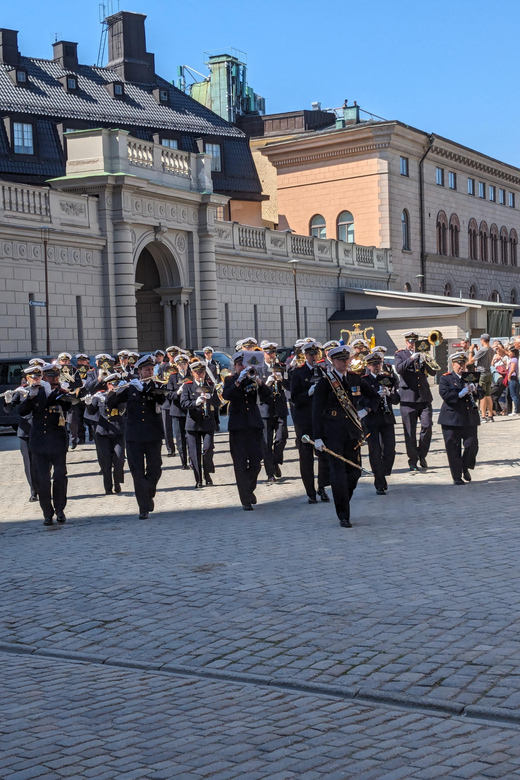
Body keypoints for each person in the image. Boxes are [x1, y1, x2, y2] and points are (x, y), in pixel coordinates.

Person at [312, 345, 376, 527]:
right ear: (333, 361)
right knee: (338, 474)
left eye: (347, 360)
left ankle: (343, 498)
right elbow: (316, 411)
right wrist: (317, 437)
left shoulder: (355, 378)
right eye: (341, 360)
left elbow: (374, 395)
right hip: (332, 432)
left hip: (353, 432)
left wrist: (366, 410)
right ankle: (343, 515)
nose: (345, 363)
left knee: (354, 472)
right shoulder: (325, 383)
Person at [106, 355, 167, 519]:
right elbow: (111, 403)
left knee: (155, 469)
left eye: (151, 369)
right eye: (146, 369)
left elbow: (162, 398)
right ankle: (143, 507)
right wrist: (116, 390)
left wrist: (145, 390)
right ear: (139, 371)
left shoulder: (157, 386)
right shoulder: (130, 387)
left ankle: (149, 493)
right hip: (134, 436)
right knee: (137, 472)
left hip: (153, 435)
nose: (149, 371)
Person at [19, 363, 73, 526]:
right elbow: (23, 411)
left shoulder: (61, 391)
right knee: (42, 481)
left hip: (57, 442)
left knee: (60, 477)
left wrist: (62, 392)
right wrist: (30, 396)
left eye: (56, 377)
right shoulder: (36, 391)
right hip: (39, 443)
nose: (54, 380)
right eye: (51, 377)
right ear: (44, 378)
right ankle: (47, 513)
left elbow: (68, 405)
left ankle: (60, 510)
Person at [222, 350, 271, 510]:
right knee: (240, 463)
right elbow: (227, 395)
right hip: (238, 427)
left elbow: (267, 395)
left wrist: (259, 381)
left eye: (245, 364)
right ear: (235, 366)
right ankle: (245, 499)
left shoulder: (253, 378)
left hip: (254, 425)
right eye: (239, 365)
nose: (243, 367)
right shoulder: (230, 380)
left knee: (257, 461)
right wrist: (239, 380)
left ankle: (248, 489)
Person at [290, 341, 330, 504]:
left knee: (324, 454)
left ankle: (322, 487)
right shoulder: (298, 373)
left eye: (316, 354)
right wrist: (309, 392)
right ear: (305, 355)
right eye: (311, 355)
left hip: (320, 419)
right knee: (306, 457)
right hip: (304, 420)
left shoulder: (323, 371)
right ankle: (310, 492)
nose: (314, 357)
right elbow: (294, 398)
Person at [438, 351, 484, 484]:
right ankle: (456, 476)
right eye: (459, 364)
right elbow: (445, 395)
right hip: (452, 418)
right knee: (453, 448)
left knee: (472, 445)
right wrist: (460, 393)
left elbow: (481, 393)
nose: (461, 366)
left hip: (469, 418)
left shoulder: (470, 377)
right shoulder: (446, 378)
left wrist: (474, 389)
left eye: (463, 363)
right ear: (453, 365)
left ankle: (465, 466)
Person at [394, 330, 437, 471]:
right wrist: (412, 358)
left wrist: (426, 359)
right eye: (410, 342)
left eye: (415, 341)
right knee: (410, 431)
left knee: (427, 426)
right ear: (406, 342)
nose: (413, 344)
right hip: (408, 398)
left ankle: (422, 454)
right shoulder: (400, 354)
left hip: (423, 397)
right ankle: (412, 460)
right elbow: (399, 369)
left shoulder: (424, 354)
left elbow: (434, 372)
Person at [362, 352, 400, 495]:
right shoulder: (364, 381)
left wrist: (389, 394)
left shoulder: (388, 378)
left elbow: (397, 399)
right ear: (368, 366)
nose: (377, 367)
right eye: (373, 365)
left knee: (390, 449)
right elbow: (361, 400)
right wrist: (375, 396)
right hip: (371, 419)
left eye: (378, 364)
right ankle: (379, 482)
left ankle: (382, 473)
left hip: (386, 418)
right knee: (375, 451)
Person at [180, 358, 219, 487]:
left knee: (208, 449)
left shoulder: (210, 385)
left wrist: (211, 398)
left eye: (202, 372)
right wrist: (195, 403)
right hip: (193, 423)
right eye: (197, 372)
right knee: (194, 453)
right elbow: (183, 403)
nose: (200, 374)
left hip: (208, 423)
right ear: (192, 372)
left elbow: (219, 404)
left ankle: (207, 473)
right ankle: (198, 479)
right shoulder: (187, 386)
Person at [3, 365, 39, 502]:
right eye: (32, 378)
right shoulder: (21, 392)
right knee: (29, 462)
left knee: (43, 462)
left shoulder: (44, 391)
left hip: (42, 430)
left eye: (38, 377)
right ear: (27, 379)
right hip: (26, 431)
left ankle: (43, 486)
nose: (35, 380)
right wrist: (7, 401)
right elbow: (9, 409)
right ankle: (33, 491)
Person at [87, 373, 126, 494]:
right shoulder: (100, 395)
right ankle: (108, 487)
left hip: (118, 430)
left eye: (116, 384)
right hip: (102, 432)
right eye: (112, 384)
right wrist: (89, 402)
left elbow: (122, 408)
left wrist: (110, 397)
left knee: (119, 458)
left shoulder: (121, 396)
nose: (114, 386)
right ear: (108, 385)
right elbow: (91, 412)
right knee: (105, 460)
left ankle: (118, 482)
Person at [258, 340, 289, 482]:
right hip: (265, 409)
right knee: (266, 441)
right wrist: (267, 384)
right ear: (263, 353)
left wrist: (282, 380)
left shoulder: (281, 367)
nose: (271, 355)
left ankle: (276, 461)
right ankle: (270, 472)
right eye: (268, 352)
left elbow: (290, 387)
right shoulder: (258, 369)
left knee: (282, 437)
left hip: (280, 408)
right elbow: (256, 392)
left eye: (273, 352)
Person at [166, 354, 191, 468]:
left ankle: (192, 460)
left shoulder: (191, 376)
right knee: (180, 438)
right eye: (180, 364)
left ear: (187, 364)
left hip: (190, 410)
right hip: (177, 411)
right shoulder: (173, 378)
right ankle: (183, 461)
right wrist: (178, 393)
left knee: (190, 437)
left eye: (184, 364)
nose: (182, 366)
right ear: (177, 365)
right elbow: (169, 395)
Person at [467, 333, 494, 421]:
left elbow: (471, 361)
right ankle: (490, 415)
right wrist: (478, 350)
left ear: (482, 340)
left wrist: (471, 350)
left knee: (482, 396)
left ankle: (483, 416)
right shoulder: (491, 350)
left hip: (481, 374)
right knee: (488, 395)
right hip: (488, 373)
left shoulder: (483, 350)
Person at [158, 348, 180, 457]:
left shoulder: (180, 366)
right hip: (166, 401)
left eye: (176, 354)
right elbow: (159, 383)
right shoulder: (163, 367)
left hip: (178, 401)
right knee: (167, 427)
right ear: (168, 355)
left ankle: (182, 448)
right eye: (172, 354)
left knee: (180, 428)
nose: (174, 356)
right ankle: (170, 449)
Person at [506, 347, 519, 416]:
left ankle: (516, 410)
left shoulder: (514, 359)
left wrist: (508, 376)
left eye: (510, 352)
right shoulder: (514, 359)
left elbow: (512, 369)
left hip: (512, 377)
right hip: (514, 378)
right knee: (515, 395)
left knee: (514, 395)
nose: (509, 353)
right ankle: (516, 410)